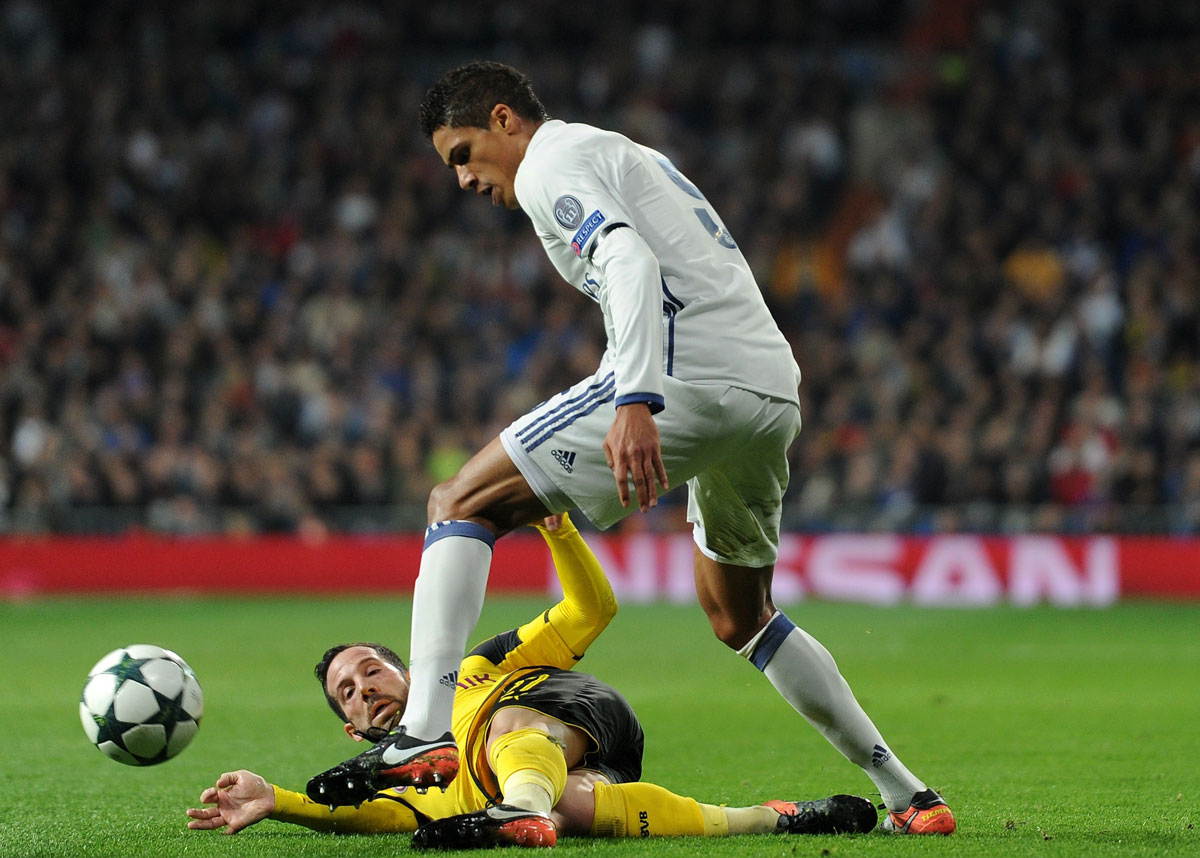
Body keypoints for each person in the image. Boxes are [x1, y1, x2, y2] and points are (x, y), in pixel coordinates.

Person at [307, 61, 954, 836]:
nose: (464, 181)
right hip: (768, 387)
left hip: (685, 375)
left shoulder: (549, 162)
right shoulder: (615, 152)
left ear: (505, 120)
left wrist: (636, 399)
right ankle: (909, 795)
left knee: (457, 502)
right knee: (741, 616)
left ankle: (423, 731)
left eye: (463, 155)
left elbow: (628, 260)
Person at [187, 514, 877, 848]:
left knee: (502, 729)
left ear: (408, 668)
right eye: (349, 692)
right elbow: (376, 817)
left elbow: (592, 610)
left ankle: (519, 806)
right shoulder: (416, 796)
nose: (364, 687)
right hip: (577, 775)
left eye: (371, 670)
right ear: (352, 728)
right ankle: (779, 815)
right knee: (572, 809)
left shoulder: (475, 666)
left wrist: (559, 530)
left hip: (566, 711)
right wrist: (274, 800)